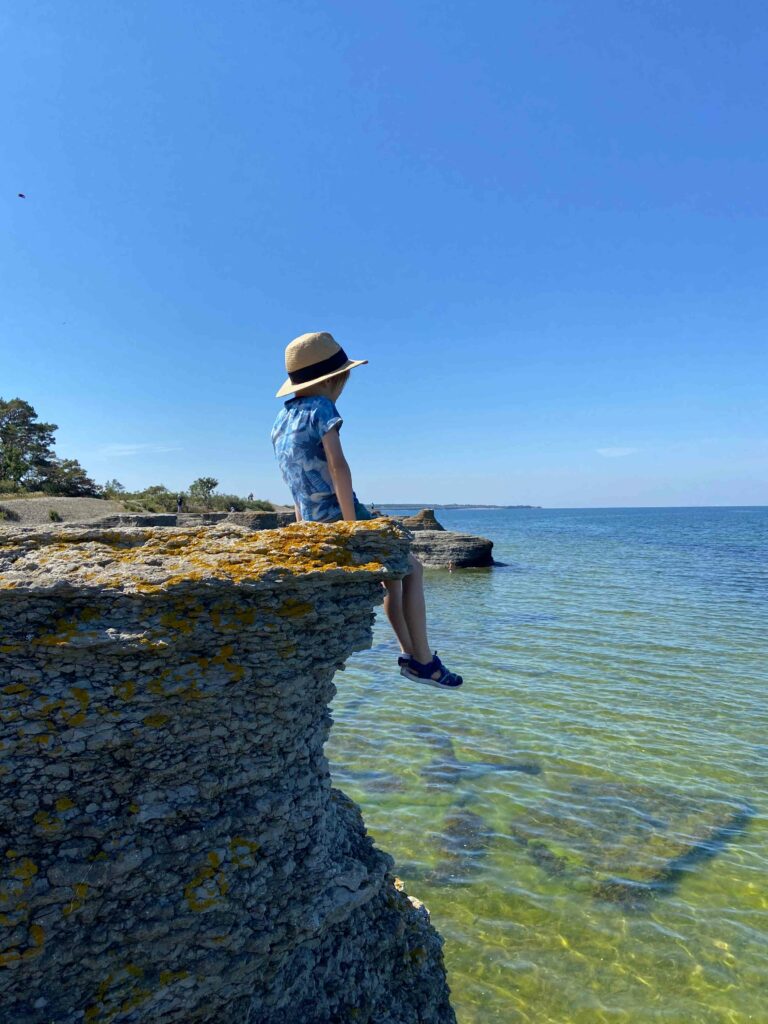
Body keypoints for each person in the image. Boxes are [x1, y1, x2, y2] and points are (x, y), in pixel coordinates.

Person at [271, 331, 463, 689]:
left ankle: (412, 657)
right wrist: (351, 525)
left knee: (393, 576)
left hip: (310, 522)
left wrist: (302, 527)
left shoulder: (280, 421)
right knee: (413, 568)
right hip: (342, 515)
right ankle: (422, 659)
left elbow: (295, 480)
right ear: (333, 379)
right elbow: (337, 466)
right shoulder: (322, 408)